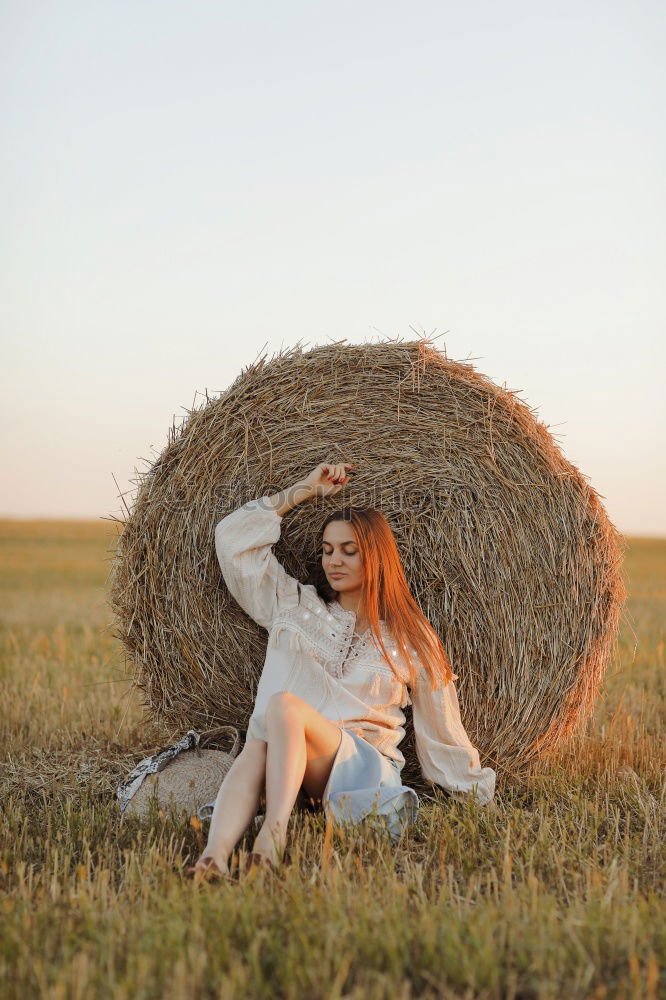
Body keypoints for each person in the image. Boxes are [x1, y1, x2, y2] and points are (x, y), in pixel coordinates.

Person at [186, 461, 495, 882]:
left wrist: (477, 793)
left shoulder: (410, 638)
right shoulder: (293, 606)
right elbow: (232, 539)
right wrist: (302, 490)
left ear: (377, 556)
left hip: (362, 769)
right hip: (290, 767)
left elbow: (442, 730)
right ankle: (214, 857)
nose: (335, 560)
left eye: (349, 550)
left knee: (282, 709)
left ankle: (272, 836)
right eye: (328, 550)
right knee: (260, 743)